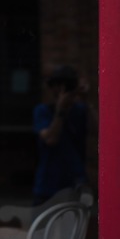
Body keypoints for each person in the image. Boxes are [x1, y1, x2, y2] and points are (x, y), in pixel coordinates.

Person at [32, 65, 88, 206]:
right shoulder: (43, 111)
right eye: (58, 85)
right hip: (48, 185)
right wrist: (60, 110)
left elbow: (101, 131)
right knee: (44, 227)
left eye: (68, 85)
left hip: (74, 183)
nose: (63, 90)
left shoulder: (80, 110)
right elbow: (51, 139)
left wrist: (85, 99)